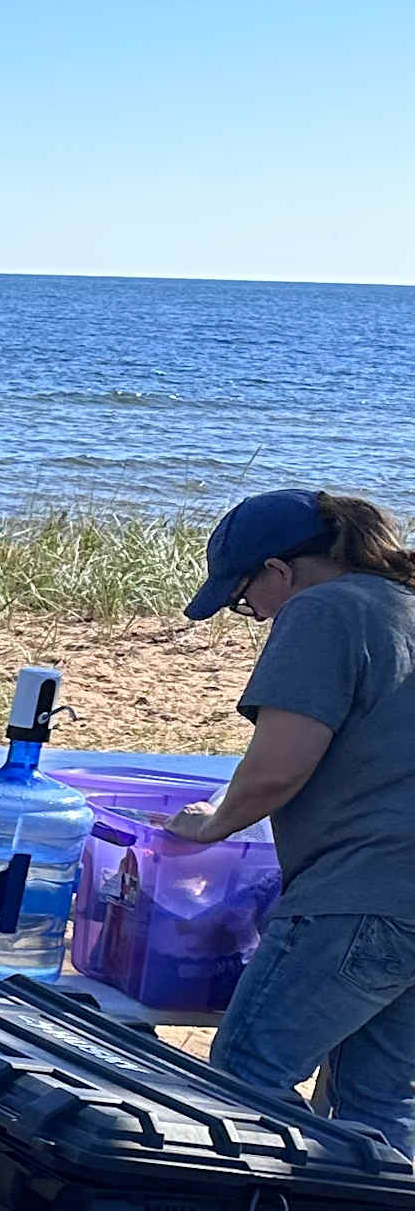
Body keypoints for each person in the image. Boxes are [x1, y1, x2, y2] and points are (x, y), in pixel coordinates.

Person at [170, 489, 415, 1157]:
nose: (254, 615)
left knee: (245, 1074)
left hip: (363, 891)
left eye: (244, 599)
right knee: (377, 1099)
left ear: (278, 570)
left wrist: (213, 825)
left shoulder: (322, 609)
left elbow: (280, 766)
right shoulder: (401, 605)